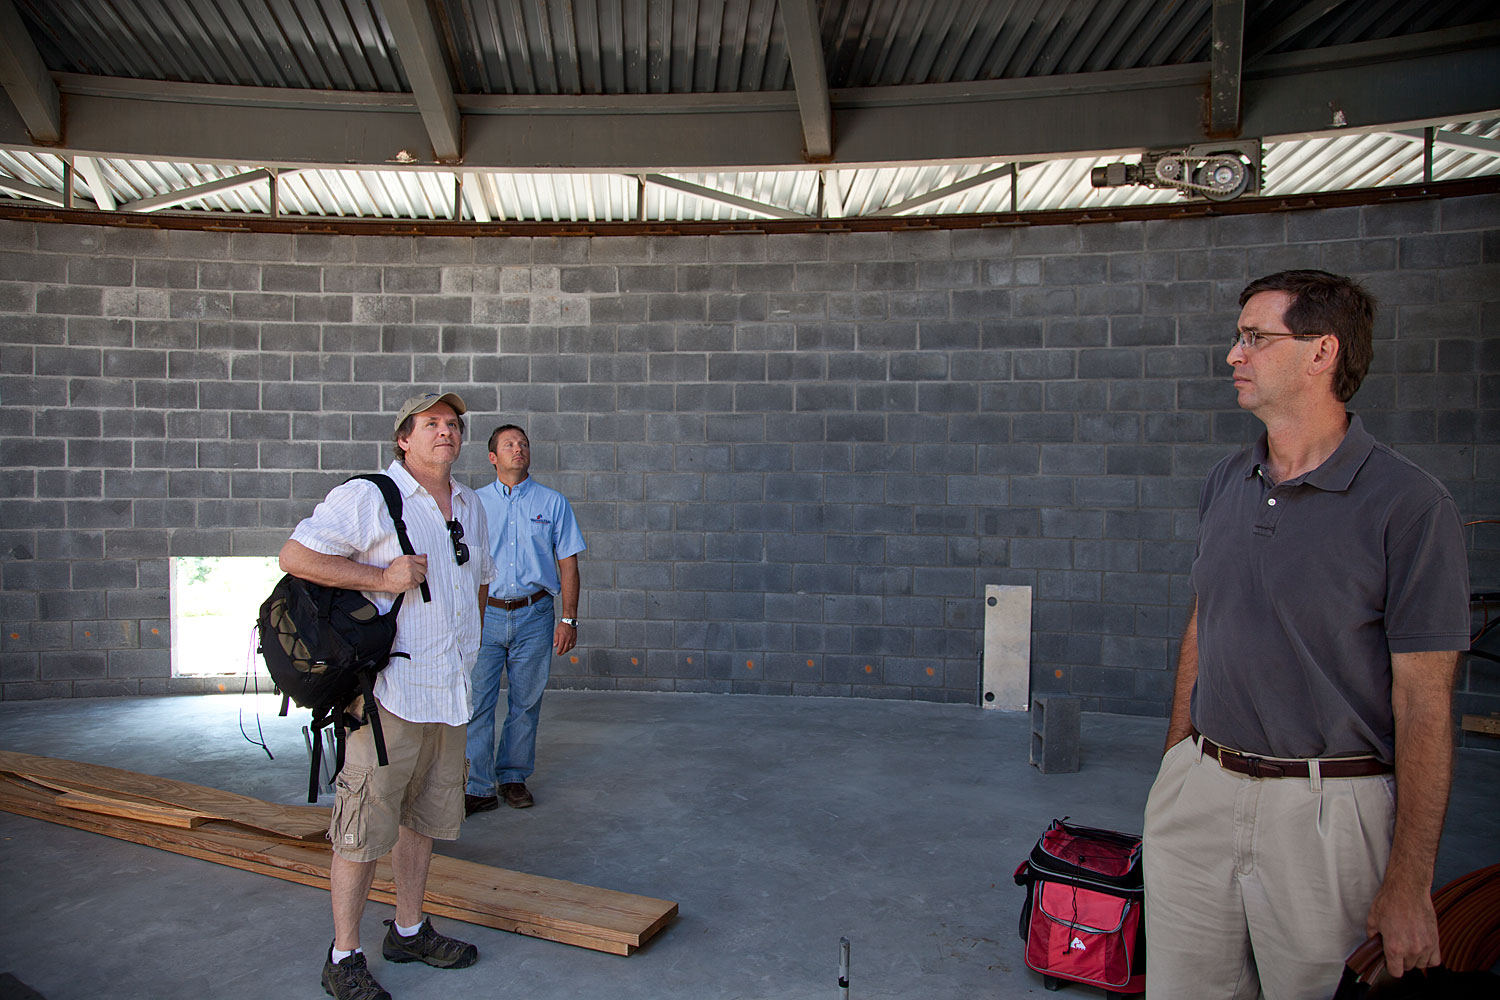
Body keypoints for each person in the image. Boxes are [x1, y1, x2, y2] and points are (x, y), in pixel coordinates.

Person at [1142, 270, 1471, 999]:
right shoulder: (1226, 480)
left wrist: (1410, 879)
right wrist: (1177, 766)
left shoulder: (1412, 506)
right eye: (1239, 338)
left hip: (1329, 815)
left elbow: (1424, 702)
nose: (1234, 354)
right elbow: (1206, 618)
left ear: (1323, 352)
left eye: (1256, 338)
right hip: (1200, 794)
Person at [279, 391, 495, 1000]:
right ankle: (343, 955)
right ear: (404, 438)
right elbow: (295, 555)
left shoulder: (472, 504)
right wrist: (380, 577)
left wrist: (467, 655)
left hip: (448, 694)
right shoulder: (372, 495)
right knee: (362, 828)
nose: (445, 432)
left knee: (422, 819)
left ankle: (408, 929)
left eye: (453, 424)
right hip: (388, 699)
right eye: (431, 423)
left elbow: (478, 582)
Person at [464, 424, 586, 815]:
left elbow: (568, 563)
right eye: (509, 445)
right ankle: (478, 786)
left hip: (535, 615)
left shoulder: (553, 503)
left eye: (523, 444)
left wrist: (569, 619)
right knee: (476, 703)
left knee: (526, 702)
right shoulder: (472, 504)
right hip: (485, 615)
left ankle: (513, 777)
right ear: (492, 457)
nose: (518, 449)